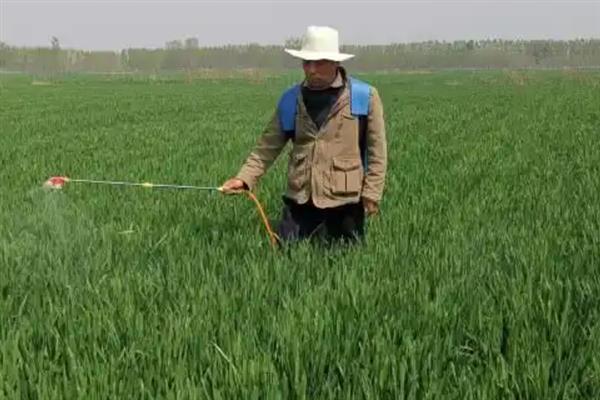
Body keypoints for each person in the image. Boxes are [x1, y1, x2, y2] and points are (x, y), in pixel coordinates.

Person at [221, 26, 387, 243]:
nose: (311, 69)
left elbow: (377, 152)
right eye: (306, 63)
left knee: (345, 263)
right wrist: (243, 180)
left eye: (318, 62)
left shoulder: (363, 96)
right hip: (300, 202)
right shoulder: (290, 100)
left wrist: (372, 193)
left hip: (346, 203)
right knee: (288, 257)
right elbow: (266, 148)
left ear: (335, 62)